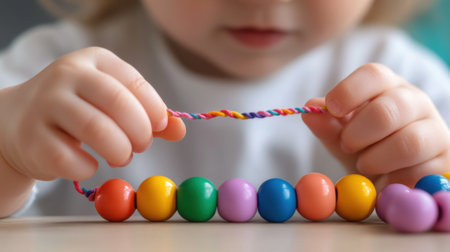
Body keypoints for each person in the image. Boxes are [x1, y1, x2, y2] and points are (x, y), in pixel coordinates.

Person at [0, 0, 449, 217]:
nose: (263, 3)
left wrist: (428, 185)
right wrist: (7, 153)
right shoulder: (51, 73)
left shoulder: (406, 84)